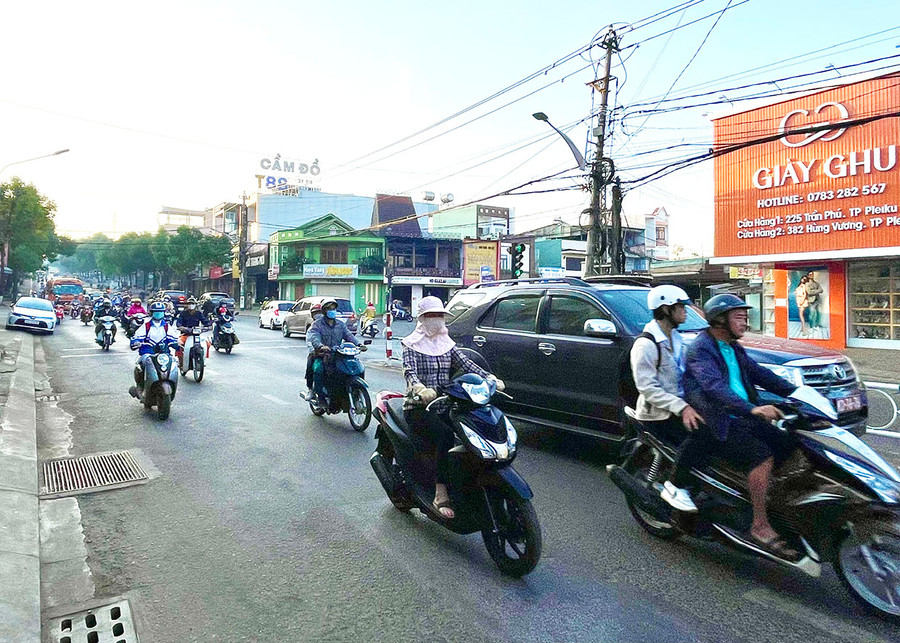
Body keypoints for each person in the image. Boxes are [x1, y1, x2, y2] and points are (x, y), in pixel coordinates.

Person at [683, 294, 800, 560]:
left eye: (746, 317)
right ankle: (759, 525)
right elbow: (714, 387)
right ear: (719, 320)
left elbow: (762, 374)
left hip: (744, 415)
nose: (745, 322)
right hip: (721, 419)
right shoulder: (701, 348)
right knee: (761, 456)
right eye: (739, 317)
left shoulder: (734, 347)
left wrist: (799, 392)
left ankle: (771, 502)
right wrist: (753, 409)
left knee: (791, 443)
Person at [401, 296, 504, 520]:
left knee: (475, 429)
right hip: (419, 407)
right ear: (422, 319)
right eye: (432, 316)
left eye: (440, 315)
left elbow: (467, 364)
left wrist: (489, 377)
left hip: (447, 403)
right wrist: (419, 388)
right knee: (446, 435)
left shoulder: (447, 344)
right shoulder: (410, 344)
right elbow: (409, 372)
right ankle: (440, 492)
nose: (437, 320)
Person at [630, 285, 704, 512]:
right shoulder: (646, 344)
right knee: (701, 438)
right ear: (665, 309)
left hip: (680, 407)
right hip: (657, 414)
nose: (685, 312)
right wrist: (682, 408)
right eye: (680, 307)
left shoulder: (676, 338)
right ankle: (675, 486)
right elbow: (647, 388)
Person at [307, 298, 366, 402]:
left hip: (339, 354)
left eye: (334, 308)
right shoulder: (317, 324)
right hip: (323, 355)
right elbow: (314, 336)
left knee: (355, 367)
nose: (332, 311)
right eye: (329, 308)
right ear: (324, 311)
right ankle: (318, 394)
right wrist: (320, 346)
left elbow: (348, 335)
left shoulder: (340, 324)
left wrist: (359, 344)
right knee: (318, 369)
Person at [128, 302, 179, 398]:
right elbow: (137, 337)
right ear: (151, 313)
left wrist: (176, 343)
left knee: (173, 364)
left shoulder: (167, 326)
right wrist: (136, 342)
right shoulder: (146, 326)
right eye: (156, 312)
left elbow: (174, 338)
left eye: (160, 312)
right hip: (148, 353)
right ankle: (140, 387)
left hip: (164, 354)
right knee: (142, 365)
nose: (158, 314)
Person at [175, 297, 207, 370]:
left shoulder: (198, 313)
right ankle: (181, 361)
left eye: (192, 304)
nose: (191, 305)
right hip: (185, 335)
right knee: (179, 344)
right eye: (189, 304)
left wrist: (208, 325)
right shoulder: (183, 313)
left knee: (207, 344)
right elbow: (179, 323)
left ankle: (202, 361)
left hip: (196, 336)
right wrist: (182, 327)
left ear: (195, 305)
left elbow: (205, 321)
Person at [303, 303, 325, 399]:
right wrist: (313, 350)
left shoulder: (331, 324)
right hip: (317, 353)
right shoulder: (312, 327)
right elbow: (309, 340)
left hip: (332, 353)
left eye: (320, 312)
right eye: (315, 313)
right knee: (311, 368)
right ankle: (311, 390)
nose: (318, 315)